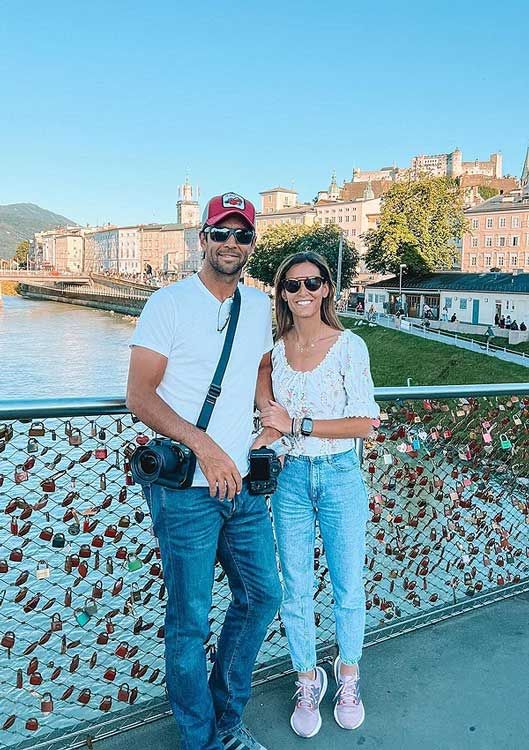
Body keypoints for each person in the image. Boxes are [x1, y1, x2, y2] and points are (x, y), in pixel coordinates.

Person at [127, 192, 282, 750]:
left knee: (263, 596)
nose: (232, 244)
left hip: (242, 486)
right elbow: (138, 396)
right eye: (222, 232)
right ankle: (204, 740)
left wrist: (268, 407)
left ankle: (226, 717)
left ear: (251, 246)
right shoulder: (167, 304)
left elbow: (260, 366)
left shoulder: (259, 307)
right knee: (189, 623)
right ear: (203, 239)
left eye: (242, 235)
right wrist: (204, 445)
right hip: (185, 494)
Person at [260, 251, 379, 739]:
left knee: (349, 584)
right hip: (290, 478)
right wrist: (267, 409)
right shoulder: (277, 347)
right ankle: (307, 678)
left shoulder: (350, 346)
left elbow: (366, 424)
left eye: (312, 283)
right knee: (296, 589)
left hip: (339, 473)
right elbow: (262, 378)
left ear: (327, 288)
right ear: (282, 294)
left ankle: (348, 678)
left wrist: (296, 423)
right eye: (292, 286)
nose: (302, 293)